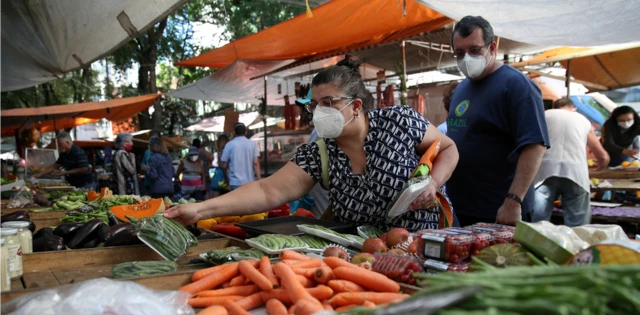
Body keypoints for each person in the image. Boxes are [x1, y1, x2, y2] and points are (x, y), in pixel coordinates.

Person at [165, 55, 459, 232]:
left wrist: (433, 182)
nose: (319, 111)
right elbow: (268, 189)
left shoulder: (399, 120)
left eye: (328, 103)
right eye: (315, 104)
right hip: (365, 261)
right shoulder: (320, 153)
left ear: (356, 105)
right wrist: (201, 210)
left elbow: (448, 148)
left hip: (427, 250)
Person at [445, 16, 550, 226]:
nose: (466, 58)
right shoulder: (462, 88)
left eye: (474, 50)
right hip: (463, 208)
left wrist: (514, 200)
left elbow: (535, 146)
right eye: (459, 53)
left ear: (492, 47)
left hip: (499, 210)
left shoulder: (516, 86)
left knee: (500, 260)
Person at [533, 98, 610, 226]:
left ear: (554, 107)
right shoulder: (582, 119)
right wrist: (601, 164)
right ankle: (577, 246)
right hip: (576, 173)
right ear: (574, 108)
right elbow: (602, 157)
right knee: (577, 224)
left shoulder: (544, 115)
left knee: (537, 223)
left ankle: (533, 245)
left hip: (544, 171)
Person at [296, 89, 330, 218]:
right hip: (318, 204)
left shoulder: (324, 131)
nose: (312, 111)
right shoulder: (318, 130)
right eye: (311, 106)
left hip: (324, 207)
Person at [220, 123, 261, 190]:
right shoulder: (252, 144)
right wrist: (259, 179)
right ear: (246, 132)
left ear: (234, 132)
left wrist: (226, 179)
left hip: (235, 182)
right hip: (250, 182)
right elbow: (255, 163)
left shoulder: (229, 145)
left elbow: (224, 165)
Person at [140, 130, 161, 196]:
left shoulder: (162, 152)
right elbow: (142, 164)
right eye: (151, 139)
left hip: (159, 184)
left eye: (155, 139)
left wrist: (149, 169)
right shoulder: (147, 152)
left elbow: (164, 169)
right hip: (148, 184)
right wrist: (143, 168)